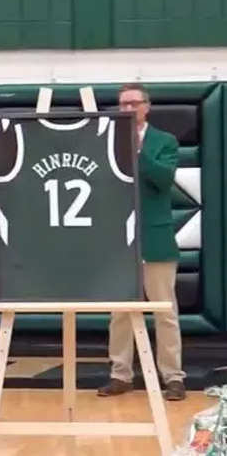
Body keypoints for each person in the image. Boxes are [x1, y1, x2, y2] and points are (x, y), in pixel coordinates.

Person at [98, 83, 186, 401]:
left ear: (146, 106)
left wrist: (136, 149)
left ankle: (173, 377)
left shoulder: (165, 141)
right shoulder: (105, 142)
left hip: (156, 237)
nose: (127, 109)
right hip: (120, 240)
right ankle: (120, 374)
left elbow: (163, 179)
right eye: (122, 104)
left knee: (165, 312)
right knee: (120, 312)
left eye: (133, 103)